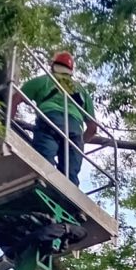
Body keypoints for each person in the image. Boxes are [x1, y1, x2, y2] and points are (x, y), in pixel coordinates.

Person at [11, 51, 97, 185]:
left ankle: (44, 186)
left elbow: (15, 99)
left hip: (50, 120)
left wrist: (7, 125)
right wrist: (78, 144)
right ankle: (66, 195)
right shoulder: (82, 91)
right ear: (70, 71)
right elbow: (92, 128)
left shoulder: (44, 80)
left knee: (44, 164)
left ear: (53, 65)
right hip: (75, 128)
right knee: (70, 176)